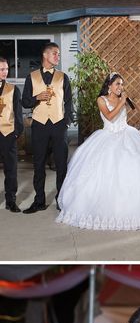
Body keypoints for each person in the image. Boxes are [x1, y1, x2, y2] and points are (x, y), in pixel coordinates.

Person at [57, 71, 140, 231]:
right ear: (109, 86)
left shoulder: (124, 98)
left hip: (128, 135)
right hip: (107, 137)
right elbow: (109, 117)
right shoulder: (101, 100)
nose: (121, 87)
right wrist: (122, 102)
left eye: (122, 84)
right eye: (117, 84)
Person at [22, 42, 73, 213]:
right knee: (39, 164)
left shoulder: (63, 77)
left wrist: (66, 121)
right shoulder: (31, 77)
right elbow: (25, 102)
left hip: (59, 125)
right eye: (54, 53)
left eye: (58, 54)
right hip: (39, 125)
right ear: (45, 55)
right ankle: (39, 201)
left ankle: (62, 199)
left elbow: (69, 101)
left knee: (61, 164)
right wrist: (36, 97)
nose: (57, 56)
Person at [0, 56, 23, 212]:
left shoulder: (13, 89)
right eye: (2, 69)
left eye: (6, 69)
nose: (5, 72)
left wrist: (16, 132)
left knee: (11, 169)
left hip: (8, 133)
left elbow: (18, 112)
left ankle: (11, 201)